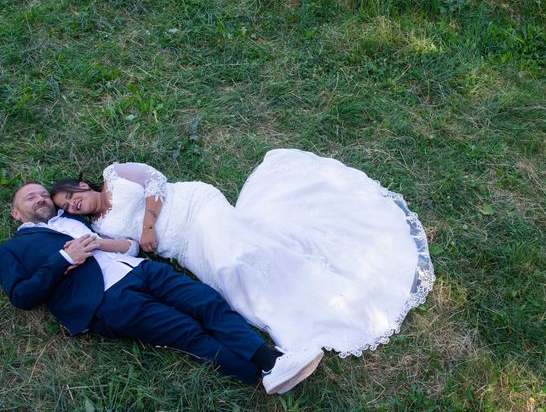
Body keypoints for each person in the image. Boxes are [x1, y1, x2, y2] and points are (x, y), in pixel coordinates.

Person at [51, 149, 436, 357]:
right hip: (182, 246)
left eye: (72, 195)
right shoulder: (99, 228)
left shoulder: (116, 173)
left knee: (234, 257)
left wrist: (149, 224)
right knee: (230, 285)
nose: (73, 205)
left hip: (194, 207)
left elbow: (156, 179)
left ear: (83, 185)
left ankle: (327, 292)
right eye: (66, 207)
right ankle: (295, 315)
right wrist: (102, 244)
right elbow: (132, 248)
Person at [0, 182, 323, 395]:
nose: (41, 198)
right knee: (185, 331)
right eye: (31, 197)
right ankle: (257, 371)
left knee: (207, 301)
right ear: (16, 213)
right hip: (106, 301)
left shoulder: (77, 220)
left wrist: (104, 242)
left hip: (142, 270)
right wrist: (62, 258)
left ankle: (272, 361)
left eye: (43, 194)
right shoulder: (12, 249)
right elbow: (21, 296)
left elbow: (129, 247)